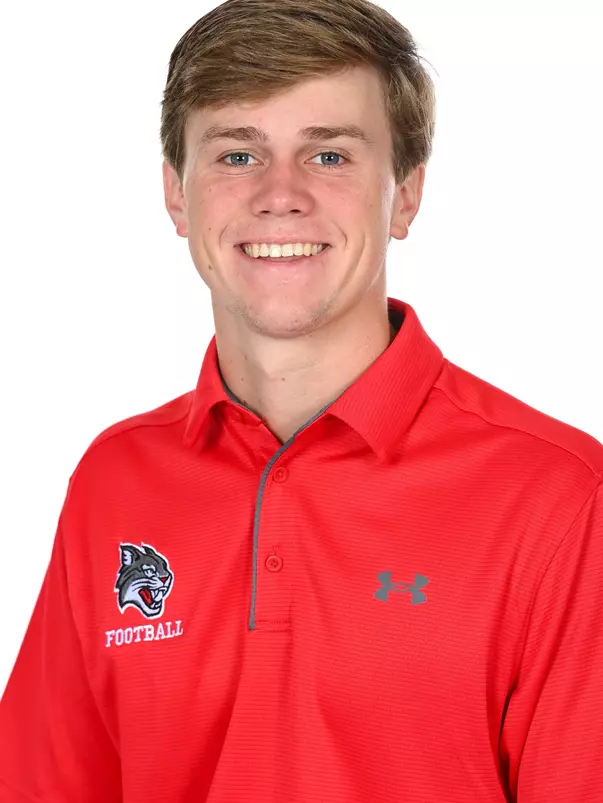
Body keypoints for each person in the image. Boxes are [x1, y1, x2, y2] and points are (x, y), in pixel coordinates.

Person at [1, 0, 602, 800]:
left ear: (404, 194)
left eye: (328, 155)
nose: (279, 194)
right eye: (237, 154)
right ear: (177, 195)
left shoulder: (558, 496)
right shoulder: (113, 483)